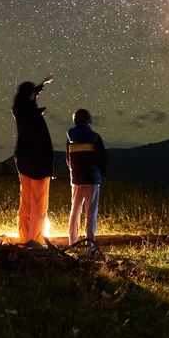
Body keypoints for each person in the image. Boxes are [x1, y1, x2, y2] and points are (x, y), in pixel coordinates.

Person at [12, 77, 53, 246]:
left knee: (26, 203)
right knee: (38, 205)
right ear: (30, 96)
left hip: (23, 161)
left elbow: (29, 97)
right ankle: (35, 241)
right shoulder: (32, 115)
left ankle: (24, 238)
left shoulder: (19, 110)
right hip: (38, 164)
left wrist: (40, 87)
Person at [66, 108, 107, 252]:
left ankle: (72, 245)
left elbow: (68, 159)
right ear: (88, 120)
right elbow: (101, 158)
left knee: (75, 210)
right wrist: (101, 173)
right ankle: (90, 246)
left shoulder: (70, 136)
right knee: (91, 213)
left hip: (76, 179)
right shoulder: (95, 137)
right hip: (92, 178)